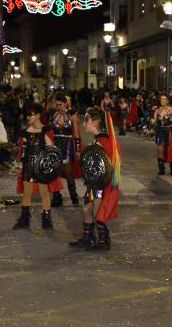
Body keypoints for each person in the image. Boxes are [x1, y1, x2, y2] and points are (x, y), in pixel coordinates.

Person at [69, 107, 121, 250]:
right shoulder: (100, 138)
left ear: (96, 122)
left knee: (97, 211)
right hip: (96, 184)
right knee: (87, 209)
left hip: (100, 185)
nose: (84, 123)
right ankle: (88, 237)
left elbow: (103, 167)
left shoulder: (102, 140)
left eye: (87, 120)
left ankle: (104, 241)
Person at [13, 103, 63, 230]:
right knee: (27, 193)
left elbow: (52, 151)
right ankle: (24, 219)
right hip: (28, 166)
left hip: (41, 168)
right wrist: (19, 165)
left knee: (44, 193)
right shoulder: (25, 132)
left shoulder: (46, 130)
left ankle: (47, 219)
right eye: (27, 114)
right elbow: (22, 151)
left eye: (31, 114)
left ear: (39, 115)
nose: (28, 117)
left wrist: (50, 167)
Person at [49, 93, 82, 207]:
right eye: (57, 104)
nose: (59, 106)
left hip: (67, 147)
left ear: (65, 104)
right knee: (54, 173)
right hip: (55, 146)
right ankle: (57, 197)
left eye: (61, 104)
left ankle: (74, 196)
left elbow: (76, 133)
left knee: (68, 173)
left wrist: (78, 150)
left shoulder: (72, 114)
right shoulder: (53, 114)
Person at [151, 93, 172, 175]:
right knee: (160, 150)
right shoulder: (157, 110)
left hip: (169, 131)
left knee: (170, 150)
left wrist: (170, 114)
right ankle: (161, 169)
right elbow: (154, 121)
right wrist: (153, 121)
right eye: (161, 99)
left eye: (164, 99)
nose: (163, 101)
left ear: (168, 100)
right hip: (160, 131)